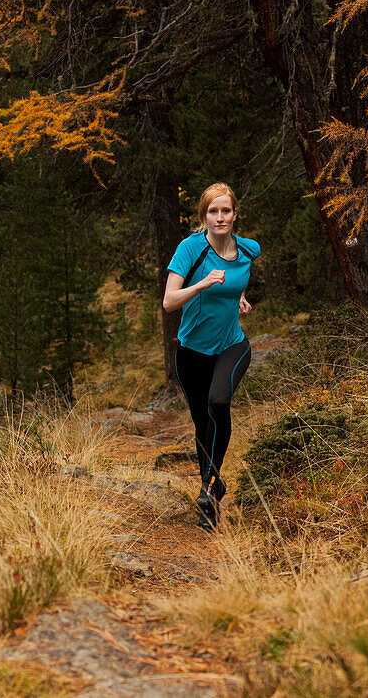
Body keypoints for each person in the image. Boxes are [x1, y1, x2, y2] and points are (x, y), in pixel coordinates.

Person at [163, 183, 260, 530]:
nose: (220, 217)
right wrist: (203, 284)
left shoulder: (248, 249)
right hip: (190, 353)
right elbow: (169, 301)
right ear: (204, 216)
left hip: (231, 345)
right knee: (202, 423)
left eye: (226, 211)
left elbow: (239, 275)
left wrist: (239, 296)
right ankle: (212, 489)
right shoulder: (191, 249)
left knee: (218, 403)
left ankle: (207, 488)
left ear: (235, 214)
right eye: (213, 212)